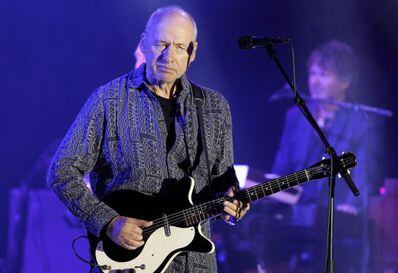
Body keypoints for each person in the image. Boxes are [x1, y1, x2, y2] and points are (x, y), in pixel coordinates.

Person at [47, 6, 249, 273]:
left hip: (195, 265)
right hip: (127, 263)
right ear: (143, 43)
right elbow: (61, 171)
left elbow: (223, 178)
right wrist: (109, 222)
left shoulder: (214, 106)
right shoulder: (108, 100)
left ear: (193, 52)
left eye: (179, 47)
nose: (169, 56)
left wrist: (233, 201)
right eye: (161, 44)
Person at [271, 40, 377, 272]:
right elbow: (282, 165)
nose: (315, 81)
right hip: (295, 209)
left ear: (345, 81)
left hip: (334, 211)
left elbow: (364, 170)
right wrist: (274, 197)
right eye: (312, 73)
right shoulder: (296, 116)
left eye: (324, 74)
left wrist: (352, 206)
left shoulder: (359, 122)